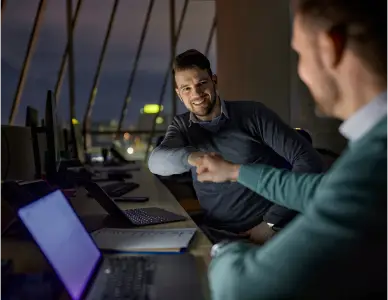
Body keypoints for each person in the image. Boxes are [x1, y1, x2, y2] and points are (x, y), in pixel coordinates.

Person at [194, 0, 388, 299]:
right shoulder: (371, 153)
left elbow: (242, 288)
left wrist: (222, 248)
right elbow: (320, 190)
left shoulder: (374, 163)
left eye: (299, 54)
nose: (301, 71)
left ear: (330, 48)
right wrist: (234, 171)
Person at [148, 49, 323, 243]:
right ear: (179, 94)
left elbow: (309, 161)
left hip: (266, 233)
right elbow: (156, 162)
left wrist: (271, 223)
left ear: (214, 81)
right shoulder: (182, 126)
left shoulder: (253, 114)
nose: (196, 93)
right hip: (216, 234)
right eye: (186, 88)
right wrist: (197, 158)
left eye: (201, 83)